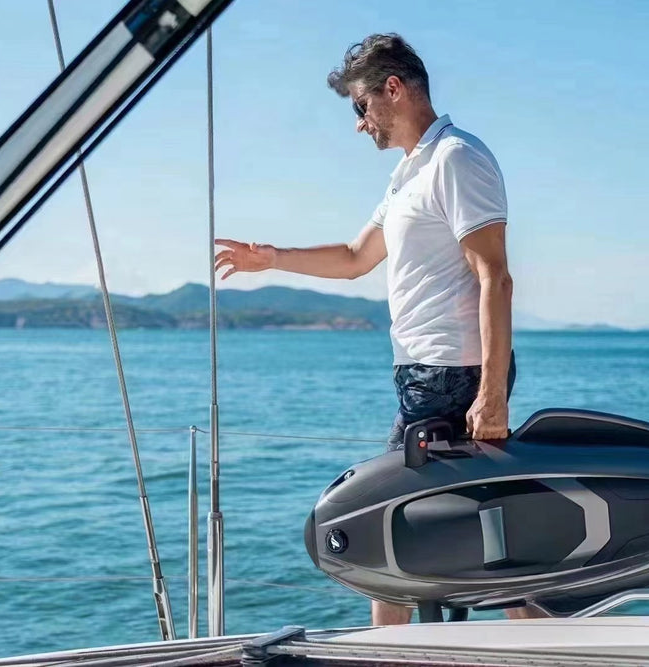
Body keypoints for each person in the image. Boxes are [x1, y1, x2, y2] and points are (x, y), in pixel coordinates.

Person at [214, 34, 541, 623]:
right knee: (469, 530)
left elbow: (495, 276)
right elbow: (355, 257)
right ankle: (538, 642)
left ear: (394, 89)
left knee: (387, 528)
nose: (359, 123)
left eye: (361, 106)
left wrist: (491, 394)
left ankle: (392, 652)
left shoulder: (456, 159)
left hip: (453, 373)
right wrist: (273, 258)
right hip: (424, 375)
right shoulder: (408, 173)